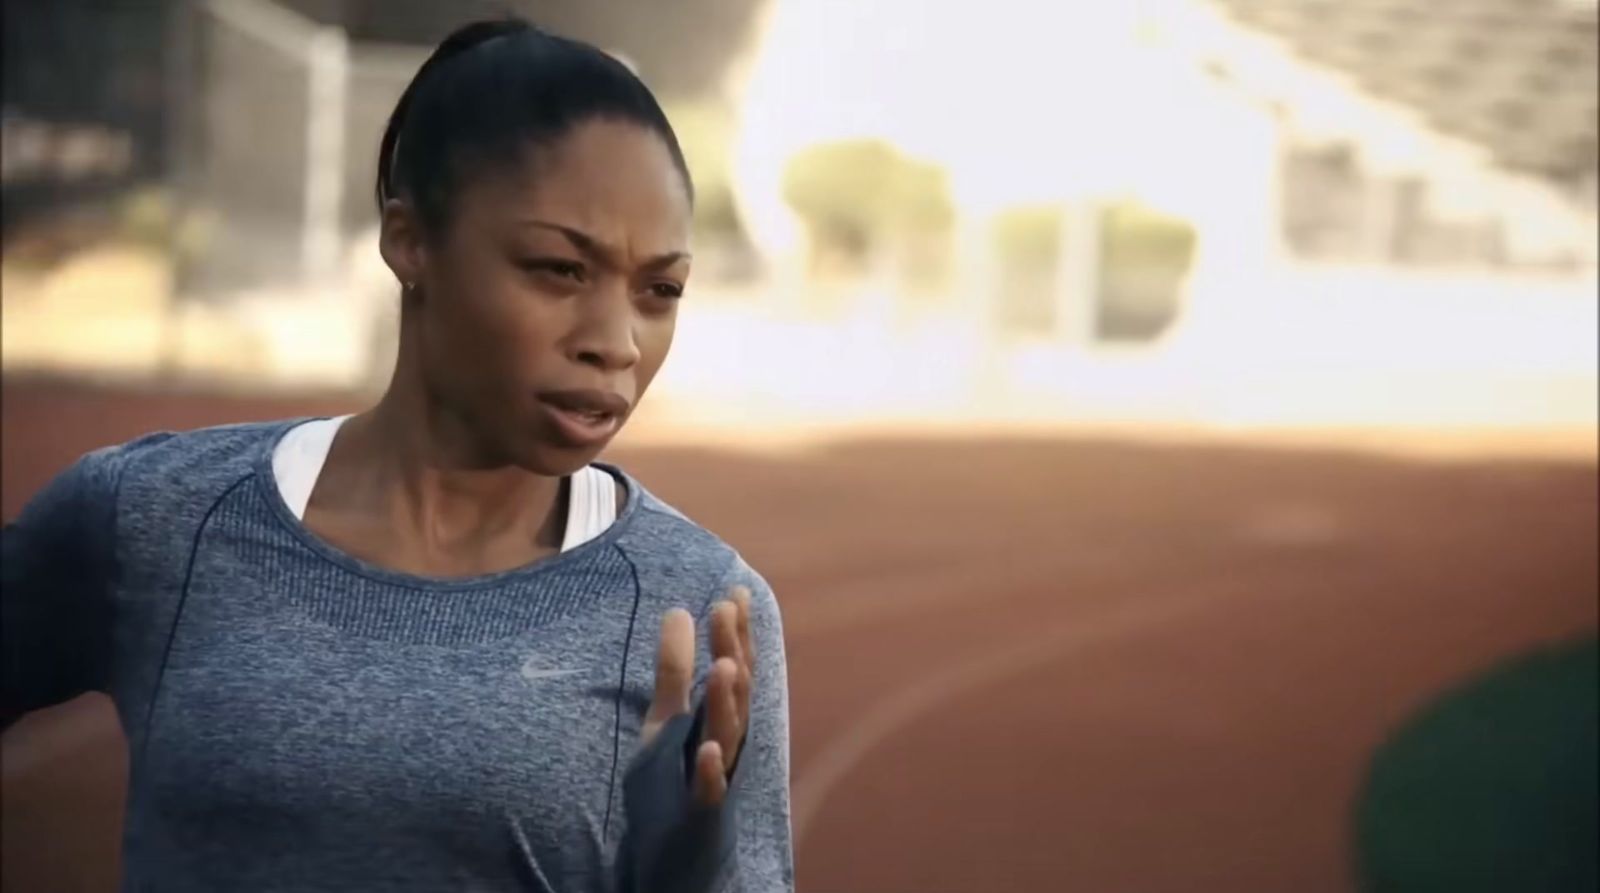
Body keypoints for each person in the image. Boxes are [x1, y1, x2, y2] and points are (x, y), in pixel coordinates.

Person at [1, 18, 793, 893]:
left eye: (661, 290)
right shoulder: (155, 515)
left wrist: (688, 873)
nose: (617, 342)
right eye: (559, 269)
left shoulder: (705, 610)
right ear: (409, 240)